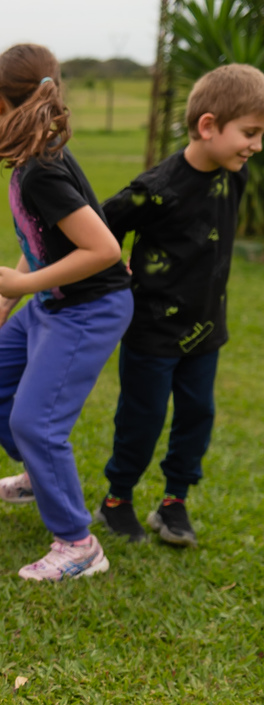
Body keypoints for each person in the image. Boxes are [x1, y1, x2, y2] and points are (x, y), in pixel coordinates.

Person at [0, 44, 132, 581]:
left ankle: (79, 545)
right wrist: (7, 300)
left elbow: (104, 249)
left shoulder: (43, 171)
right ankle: (41, 473)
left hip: (88, 309)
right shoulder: (32, 159)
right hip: (51, 303)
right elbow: (42, 239)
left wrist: (25, 284)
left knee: (35, 422)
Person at [95, 64, 264, 547]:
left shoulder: (234, 175)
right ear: (208, 125)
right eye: (249, 133)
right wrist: (117, 270)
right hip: (152, 333)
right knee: (142, 418)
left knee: (197, 415)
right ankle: (116, 501)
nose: (256, 145)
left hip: (206, 330)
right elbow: (101, 225)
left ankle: (174, 503)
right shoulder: (156, 187)